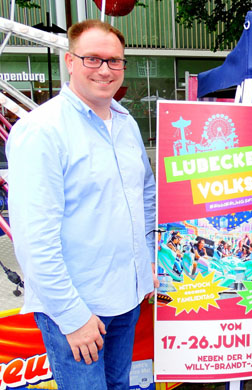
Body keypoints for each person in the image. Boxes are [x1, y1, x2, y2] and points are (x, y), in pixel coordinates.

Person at [7, 20, 157, 390]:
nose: (105, 70)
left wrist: (151, 258)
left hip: (127, 296)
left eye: (115, 61)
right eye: (93, 59)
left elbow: (146, 195)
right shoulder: (42, 130)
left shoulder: (126, 124)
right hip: (76, 306)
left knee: (120, 386)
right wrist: (73, 317)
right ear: (69, 61)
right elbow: (33, 239)